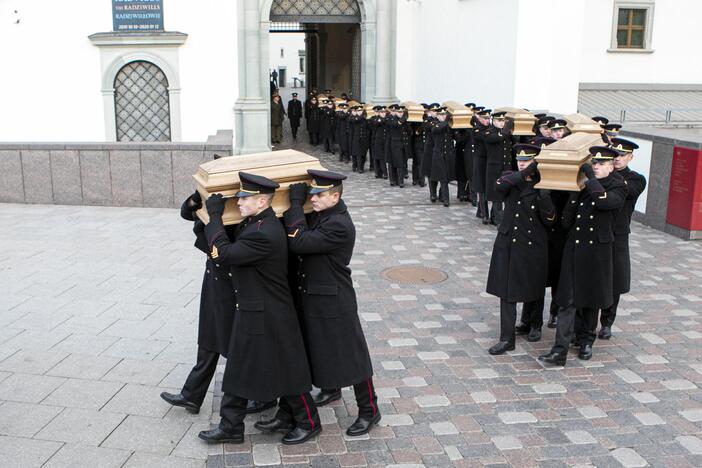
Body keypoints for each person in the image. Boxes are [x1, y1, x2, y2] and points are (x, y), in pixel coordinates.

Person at [198, 173, 321, 445]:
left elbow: (225, 254)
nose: (239, 202)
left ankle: (309, 422)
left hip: (270, 314)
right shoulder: (254, 223)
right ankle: (231, 426)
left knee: (287, 370)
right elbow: (222, 244)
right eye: (239, 197)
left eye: (244, 198)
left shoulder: (263, 233)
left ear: (262, 200)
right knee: (240, 369)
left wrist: (215, 217)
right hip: (254, 309)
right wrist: (203, 216)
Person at [280, 170, 381, 436]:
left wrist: (293, 205)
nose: (312, 199)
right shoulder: (323, 213)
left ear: (335, 196)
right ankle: (331, 388)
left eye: (319, 194)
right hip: (314, 293)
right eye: (311, 193)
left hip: (334, 298)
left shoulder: (338, 224)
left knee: (352, 354)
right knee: (321, 347)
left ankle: (370, 409)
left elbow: (299, 242)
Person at [160, 187, 275, 418]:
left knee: (236, 342)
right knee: (209, 335)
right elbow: (187, 212)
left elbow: (225, 245)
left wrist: (215, 215)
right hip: (214, 276)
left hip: (231, 279)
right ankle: (192, 394)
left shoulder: (243, 207)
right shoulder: (220, 199)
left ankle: (263, 395)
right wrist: (198, 195)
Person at [539, 147, 627, 366]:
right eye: (593, 164)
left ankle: (587, 341)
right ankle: (559, 350)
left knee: (591, 300)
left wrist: (588, 179)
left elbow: (605, 202)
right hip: (575, 248)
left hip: (597, 251)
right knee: (566, 301)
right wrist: (571, 197)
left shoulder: (618, 186)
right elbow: (568, 220)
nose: (595, 167)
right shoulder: (585, 184)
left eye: (600, 164)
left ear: (610, 166)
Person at [486, 144, 556, 354]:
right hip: (508, 242)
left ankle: (534, 324)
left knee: (534, 286)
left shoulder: (544, 182)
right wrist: (525, 172)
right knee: (506, 293)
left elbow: (550, 219)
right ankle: (506, 339)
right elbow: (499, 187)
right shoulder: (511, 177)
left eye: (527, 160)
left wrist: (544, 196)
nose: (522, 162)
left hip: (532, 243)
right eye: (520, 160)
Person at [598, 138, 647, 339]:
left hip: (618, 235)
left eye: (623, 155)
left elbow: (628, 190)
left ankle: (607, 321)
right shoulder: (601, 173)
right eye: (615, 154)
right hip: (597, 231)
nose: (618, 158)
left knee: (614, 280)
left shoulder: (636, 179)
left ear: (631, 157)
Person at [484, 111, 515, 225]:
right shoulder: (489, 132)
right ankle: (499, 221)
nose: (502, 123)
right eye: (499, 120)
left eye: (503, 121)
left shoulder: (504, 133)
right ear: (493, 121)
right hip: (494, 169)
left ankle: (493, 218)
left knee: (502, 194)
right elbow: (498, 138)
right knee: (497, 195)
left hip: (505, 168)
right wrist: (507, 127)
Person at [430, 107, 455, 207]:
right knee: (441, 178)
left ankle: (441, 196)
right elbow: (436, 129)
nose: (444, 117)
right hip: (438, 155)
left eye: (445, 115)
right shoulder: (435, 123)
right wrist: (447, 120)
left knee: (445, 177)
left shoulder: (449, 125)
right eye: (442, 115)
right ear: (437, 115)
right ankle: (445, 199)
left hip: (448, 155)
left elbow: (457, 138)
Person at [472, 108, 491, 222]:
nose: (487, 121)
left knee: (486, 186)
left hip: (489, 160)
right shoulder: (477, 129)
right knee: (481, 187)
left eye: (488, 118)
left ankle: (480, 211)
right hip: (480, 161)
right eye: (485, 118)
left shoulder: (490, 129)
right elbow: (484, 136)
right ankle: (484, 214)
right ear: (479, 118)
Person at [384, 104, 411, 188]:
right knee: (394, 162)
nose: (400, 114)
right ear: (395, 112)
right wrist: (402, 120)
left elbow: (409, 131)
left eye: (402, 112)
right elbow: (395, 125)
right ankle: (394, 180)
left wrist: (406, 123)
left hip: (403, 145)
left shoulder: (403, 121)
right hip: (394, 144)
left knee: (401, 163)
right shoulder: (391, 119)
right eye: (399, 112)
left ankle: (400, 180)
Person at [348, 104, 370, 173]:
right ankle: (356, 166)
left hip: (363, 138)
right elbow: (354, 121)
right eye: (358, 110)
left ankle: (361, 167)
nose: (360, 112)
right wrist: (362, 115)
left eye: (361, 110)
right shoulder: (353, 118)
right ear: (356, 111)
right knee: (356, 153)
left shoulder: (364, 119)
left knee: (363, 154)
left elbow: (367, 128)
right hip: (356, 138)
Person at [369, 106, 388, 179]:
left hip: (385, 139)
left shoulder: (387, 118)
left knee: (382, 157)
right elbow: (376, 123)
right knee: (378, 157)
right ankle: (379, 172)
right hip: (378, 140)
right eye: (381, 112)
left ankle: (383, 172)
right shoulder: (375, 119)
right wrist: (383, 119)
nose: (383, 114)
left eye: (384, 112)